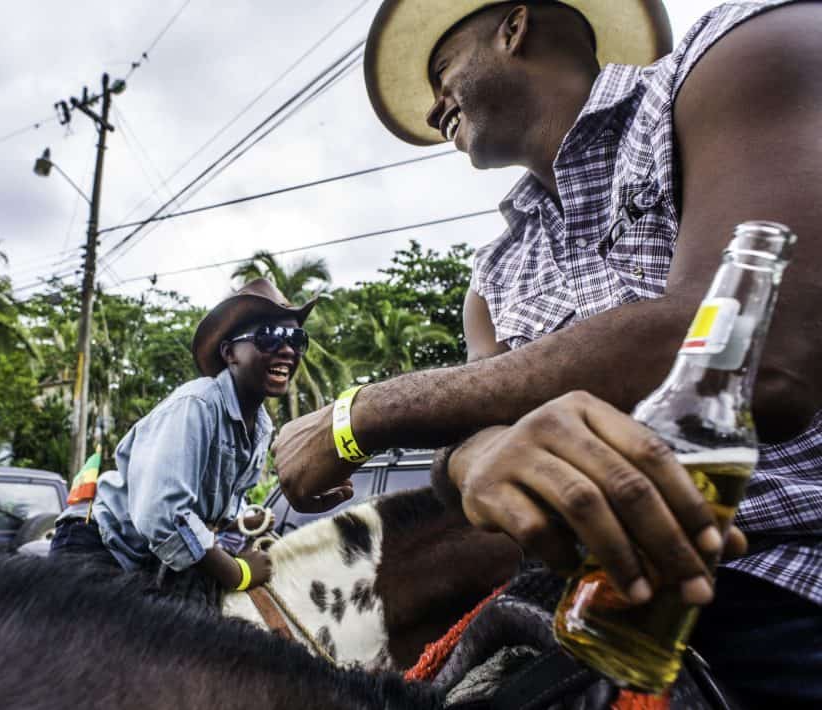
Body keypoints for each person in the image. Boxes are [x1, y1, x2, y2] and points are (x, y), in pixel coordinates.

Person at [272, 0, 822, 704]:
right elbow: (469, 440)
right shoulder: (494, 277)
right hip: (572, 601)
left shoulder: (739, 52)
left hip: (783, 579)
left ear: (514, 25)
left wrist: (364, 415)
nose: (435, 103)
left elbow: (761, 354)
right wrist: (475, 457)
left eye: (442, 70)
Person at [51, 278, 316, 609]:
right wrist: (238, 573)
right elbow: (164, 515)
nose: (288, 350)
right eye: (269, 337)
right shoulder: (196, 406)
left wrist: (237, 521)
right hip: (100, 547)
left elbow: (213, 505)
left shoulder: (261, 427)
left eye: (296, 339)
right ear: (230, 352)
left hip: (149, 562)